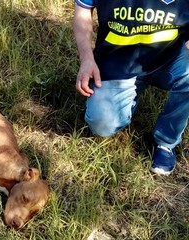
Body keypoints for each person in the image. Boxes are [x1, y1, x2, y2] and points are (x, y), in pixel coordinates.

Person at [73, 0, 189, 175]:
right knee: (102, 126)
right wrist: (86, 59)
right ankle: (126, 98)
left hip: (169, 59)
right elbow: (82, 12)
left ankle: (166, 142)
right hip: (117, 61)